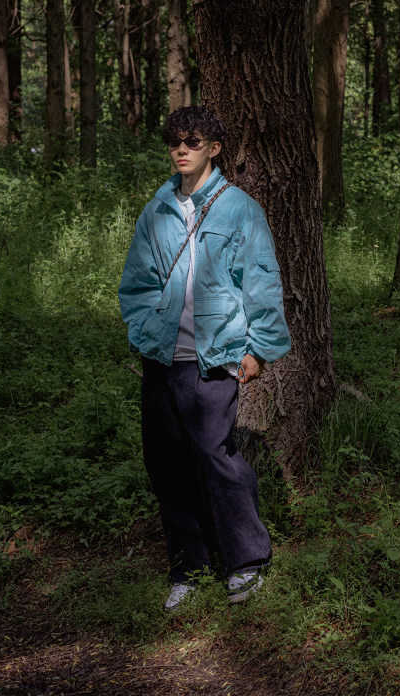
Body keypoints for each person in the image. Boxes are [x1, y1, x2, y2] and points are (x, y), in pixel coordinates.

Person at [118, 105, 291, 612]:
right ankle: (189, 569)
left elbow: (262, 282)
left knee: (216, 457)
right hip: (162, 358)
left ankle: (246, 561)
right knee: (166, 463)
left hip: (214, 358)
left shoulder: (240, 209)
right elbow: (137, 283)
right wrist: (144, 331)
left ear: (214, 149)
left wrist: (259, 349)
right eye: (175, 142)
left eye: (192, 142)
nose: (181, 150)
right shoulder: (157, 210)